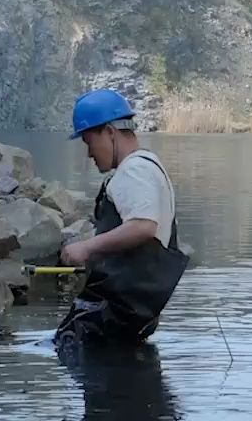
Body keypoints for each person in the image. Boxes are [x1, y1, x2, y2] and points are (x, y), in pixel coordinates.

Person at [55, 89, 188, 349]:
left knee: (68, 348)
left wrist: (86, 247)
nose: (89, 154)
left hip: (119, 310)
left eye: (88, 142)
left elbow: (143, 226)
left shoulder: (134, 170)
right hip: (135, 308)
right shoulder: (150, 165)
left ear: (109, 132)